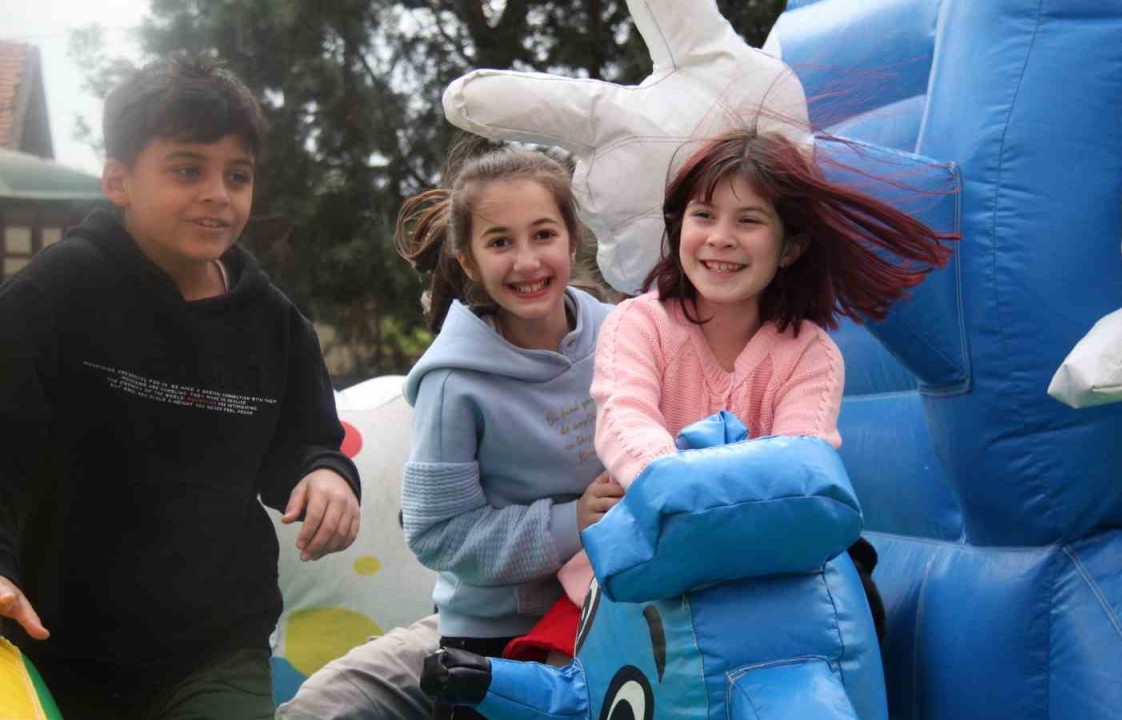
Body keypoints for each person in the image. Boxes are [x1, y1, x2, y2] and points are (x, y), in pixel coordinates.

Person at [0, 56, 362, 719]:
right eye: (188, 170)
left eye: (237, 175)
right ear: (119, 180)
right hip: (47, 638)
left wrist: (327, 474)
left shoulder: (276, 326)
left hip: (214, 648)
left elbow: (306, 443)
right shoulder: (53, 295)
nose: (218, 194)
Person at [552, 129, 953, 637]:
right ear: (678, 226)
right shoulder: (639, 323)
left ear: (790, 247)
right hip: (648, 552)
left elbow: (799, 460)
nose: (721, 237)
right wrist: (672, 489)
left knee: (847, 611)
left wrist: (717, 508)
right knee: (562, 660)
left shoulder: (809, 353)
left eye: (749, 220)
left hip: (760, 561)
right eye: (704, 215)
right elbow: (623, 417)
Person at [277, 146, 612, 720]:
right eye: (500, 242)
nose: (527, 261)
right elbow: (438, 534)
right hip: (496, 636)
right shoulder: (453, 382)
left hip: (615, 609)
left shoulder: (622, 334)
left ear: (572, 239)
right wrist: (572, 521)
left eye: (543, 235)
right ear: (469, 261)